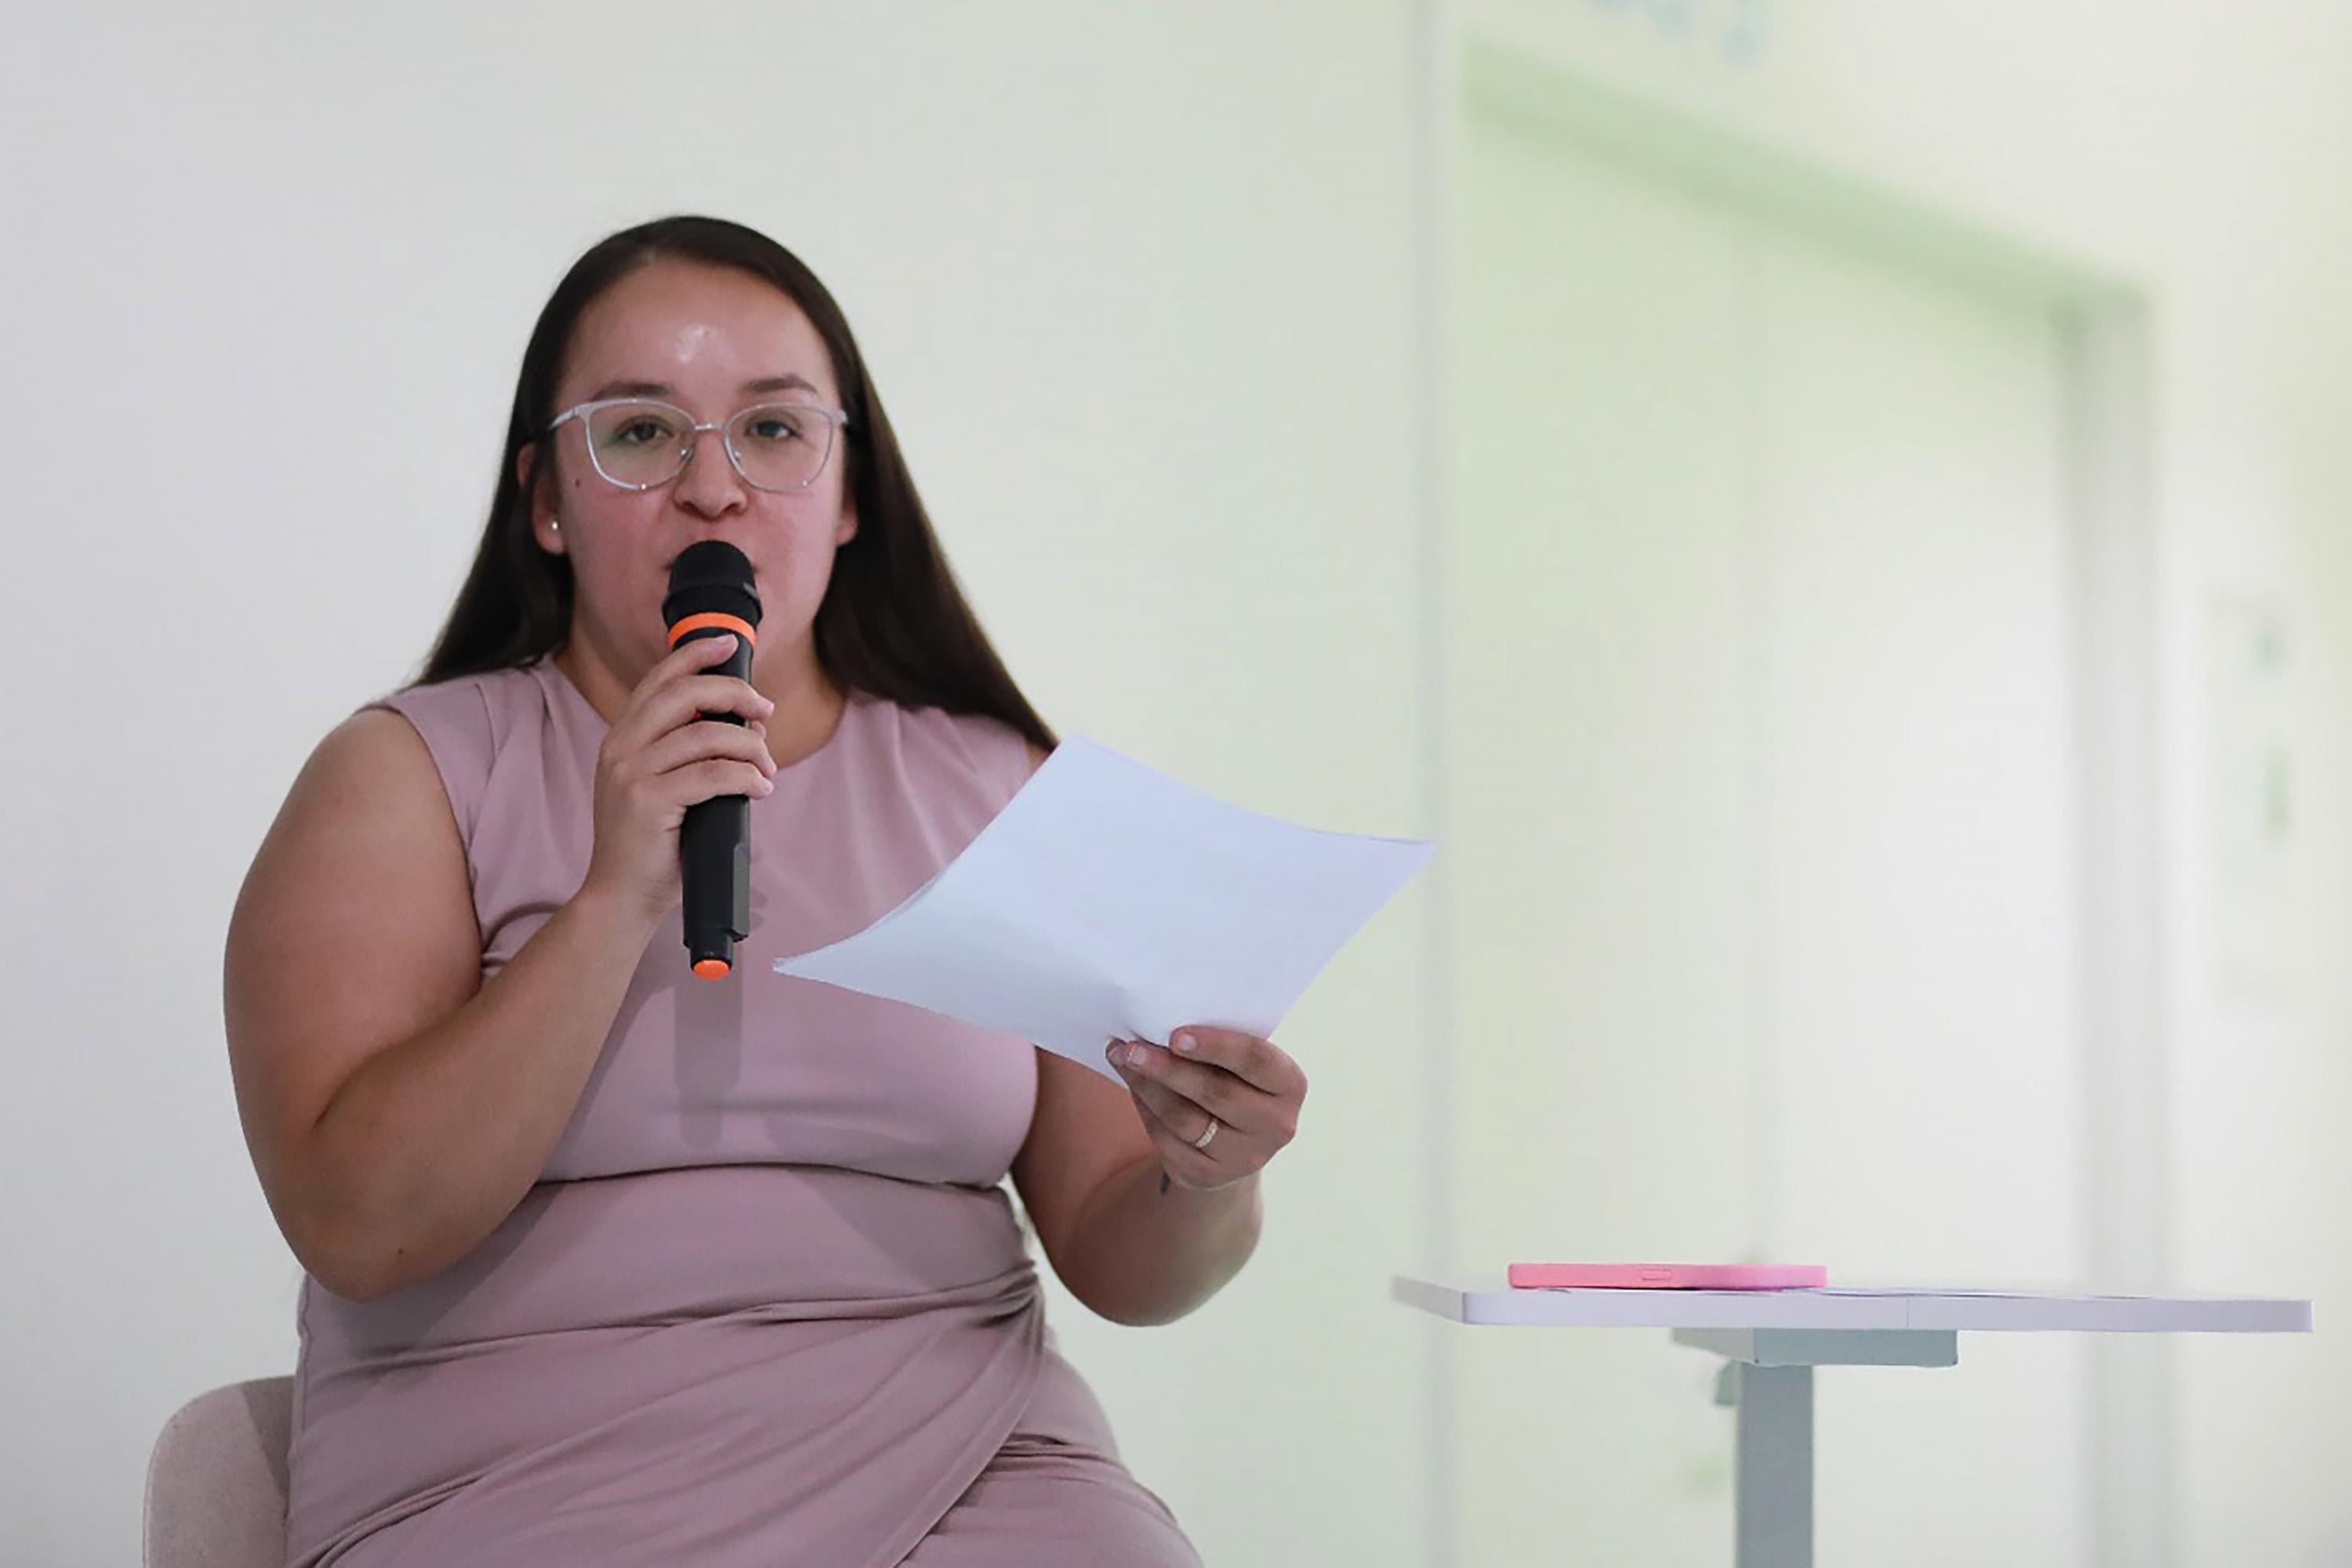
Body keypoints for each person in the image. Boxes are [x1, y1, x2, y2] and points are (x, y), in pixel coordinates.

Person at [223, 214, 1310, 1567]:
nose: (714, 491)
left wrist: (1208, 1175)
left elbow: (1123, 1263)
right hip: (525, 1487)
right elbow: (359, 1226)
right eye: (640, 434)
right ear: (547, 501)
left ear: (850, 495)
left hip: (971, 1469)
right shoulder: (405, 776)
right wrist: (618, 890)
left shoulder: (997, 786)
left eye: (775, 433)